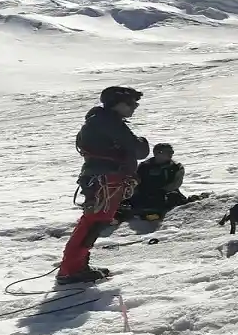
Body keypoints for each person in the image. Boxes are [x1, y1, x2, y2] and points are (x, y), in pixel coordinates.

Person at [60, 86, 150, 284]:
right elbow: (139, 150)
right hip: (106, 180)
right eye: (130, 103)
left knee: (92, 222)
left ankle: (74, 266)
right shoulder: (108, 121)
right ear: (115, 103)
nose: (134, 107)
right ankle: (72, 270)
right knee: (94, 223)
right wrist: (142, 142)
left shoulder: (102, 120)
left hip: (102, 178)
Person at [119, 143, 199, 220]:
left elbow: (175, 184)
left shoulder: (176, 167)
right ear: (158, 153)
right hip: (145, 193)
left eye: (172, 152)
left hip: (166, 192)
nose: (171, 154)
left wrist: (161, 191)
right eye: (168, 152)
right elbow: (136, 181)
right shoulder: (144, 166)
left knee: (171, 198)